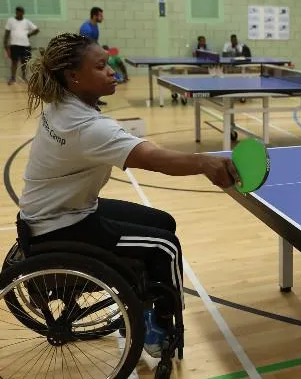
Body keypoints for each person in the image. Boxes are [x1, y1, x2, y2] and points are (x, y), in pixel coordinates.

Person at [17, 33, 239, 357]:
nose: (112, 72)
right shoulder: (85, 128)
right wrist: (205, 162)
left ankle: (142, 302)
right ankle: (158, 327)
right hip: (62, 223)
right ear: (73, 77)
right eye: (101, 66)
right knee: (164, 247)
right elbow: (155, 159)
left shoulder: (60, 103)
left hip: (52, 212)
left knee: (161, 222)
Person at [4, 6, 39, 85]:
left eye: (20, 12)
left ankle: (24, 77)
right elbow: (7, 33)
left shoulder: (27, 22)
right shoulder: (10, 21)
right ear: (16, 12)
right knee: (14, 62)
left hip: (25, 45)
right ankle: (13, 78)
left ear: (23, 13)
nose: (19, 13)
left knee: (25, 62)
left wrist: (29, 35)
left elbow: (37, 30)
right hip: (14, 45)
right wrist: (5, 44)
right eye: (17, 12)